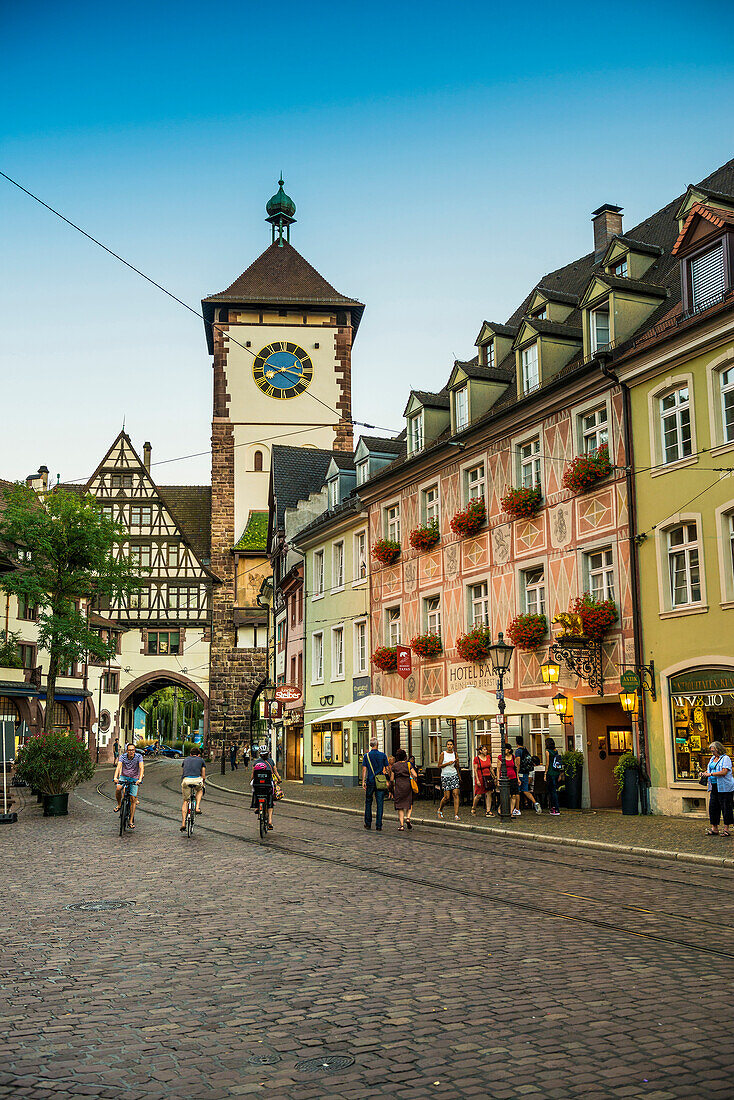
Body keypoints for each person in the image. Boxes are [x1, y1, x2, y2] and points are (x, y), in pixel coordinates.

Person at [701, 740, 734, 836]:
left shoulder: (725, 758)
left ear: (719, 750)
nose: (712, 753)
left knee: (726, 807)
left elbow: (724, 772)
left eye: (713, 751)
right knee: (713, 807)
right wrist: (704, 773)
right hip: (714, 786)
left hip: (725, 787)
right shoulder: (712, 759)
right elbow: (709, 769)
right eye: (711, 751)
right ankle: (714, 828)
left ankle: (726, 829)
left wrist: (711, 774)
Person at [113, 742, 144, 829]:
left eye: (133, 750)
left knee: (133, 799)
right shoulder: (123, 757)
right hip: (124, 776)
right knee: (118, 788)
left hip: (134, 778)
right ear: (126, 751)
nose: (131, 752)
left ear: (135, 750)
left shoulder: (139, 757)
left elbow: (141, 768)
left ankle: (131, 820)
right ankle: (119, 804)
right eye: (129, 750)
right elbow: (118, 767)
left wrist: (140, 779)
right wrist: (115, 777)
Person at [362, 736, 389, 831]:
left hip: (370, 781)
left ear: (370, 745)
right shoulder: (383, 755)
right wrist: (386, 774)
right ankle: (378, 825)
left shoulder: (366, 756)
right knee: (380, 803)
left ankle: (368, 823)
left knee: (368, 802)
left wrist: (363, 781)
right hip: (380, 782)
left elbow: (364, 769)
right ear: (377, 744)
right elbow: (387, 768)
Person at [252, 746, 278, 830]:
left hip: (258, 785)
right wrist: (279, 779)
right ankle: (270, 821)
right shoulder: (271, 761)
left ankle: (256, 806)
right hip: (268, 785)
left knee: (255, 791)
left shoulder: (256, 762)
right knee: (270, 800)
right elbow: (275, 772)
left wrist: (251, 780)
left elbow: (253, 774)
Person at [180, 746, 206, 831]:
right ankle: (197, 807)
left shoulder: (186, 760)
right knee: (200, 790)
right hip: (197, 780)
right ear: (198, 755)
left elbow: (183, 771)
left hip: (186, 780)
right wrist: (203, 783)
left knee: (185, 801)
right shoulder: (201, 760)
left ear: (190, 754)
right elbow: (204, 776)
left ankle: (183, 823)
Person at [391, 748, 417, 831]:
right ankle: (408, 818)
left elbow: (391, 779)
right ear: (405, 756)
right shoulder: (408, 764)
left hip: (398, 786)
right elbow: (415, 775)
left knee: (400, 806)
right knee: (409, 802)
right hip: (407, 785)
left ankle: (401, 826)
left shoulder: (394, 766)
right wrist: (411, 778)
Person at [515, 736, 542, 814]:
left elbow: (518, 763)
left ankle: (517, 809)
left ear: (516, 742)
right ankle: (535, 803)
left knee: (518, 792)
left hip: (520, 773)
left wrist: (517, 773)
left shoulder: (518, 751)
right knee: (525, 790)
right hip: (526, 773)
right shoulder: (525, 750)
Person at [437, 739, 461, 820]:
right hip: (445, 775)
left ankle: (456, 815)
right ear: (446, 746)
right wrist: (448, 763)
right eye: (448, 744)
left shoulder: (455, 754)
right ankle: (440, 809)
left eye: (451, 744)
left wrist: (457, 763)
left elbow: (457, 766)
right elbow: (439, 765)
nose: (449, 746)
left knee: (455, 794)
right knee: (447, 797)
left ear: (453, 746)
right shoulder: (443, 754)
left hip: (454, 775)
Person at [471, 744, 496, 817]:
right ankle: (473, 808)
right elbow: (475, 770)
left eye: (486, 749)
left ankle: (488, 811)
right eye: (484, 750)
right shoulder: (476, 759)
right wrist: (477, 780)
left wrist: (494, 777)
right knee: (479, 795)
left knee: (489, 793)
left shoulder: (488, 757)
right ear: (480, 751)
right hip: (480, 777)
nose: (486, 751)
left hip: (488, 777)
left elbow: (490, 768)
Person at [496, 743, 520, 816]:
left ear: (509, 750)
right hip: (504, 778)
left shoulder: (513, 757)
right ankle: (501, 808)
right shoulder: (500, 757)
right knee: (506, 795)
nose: (503, 750)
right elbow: (498, 769)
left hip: (513, 778)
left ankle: (511, 812)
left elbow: (515, 768)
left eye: (505, 749)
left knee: (514, 795)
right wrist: (498, 779)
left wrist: (518, 778)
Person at [545, 737, 562, 816]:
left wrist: (545, 773)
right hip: (556, 772)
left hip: (550, 773)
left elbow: (547, 763)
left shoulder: (547, 752)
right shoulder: (556, 751)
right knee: (555, 790)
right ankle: (556, 808)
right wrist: (559, 774)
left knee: (551, 792)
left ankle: (555, 808)